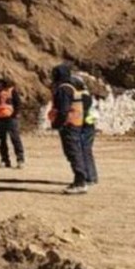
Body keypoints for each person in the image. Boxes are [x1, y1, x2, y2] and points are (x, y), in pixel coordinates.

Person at [48, 63, 88, 194]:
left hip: (69, 125)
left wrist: (57, 124)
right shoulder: (70, 87)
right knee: (74, 152)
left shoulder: (64, 89)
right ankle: (80, 179)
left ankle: (80, 182)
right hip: (74, 124)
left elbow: (63, 110)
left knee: (73, 152)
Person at [0, 75, 25, 168]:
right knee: (1, 140)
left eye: (0, 82)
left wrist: (14, 114)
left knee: (15, 139)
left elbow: (18, 103)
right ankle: (5, 160)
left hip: (10, 118)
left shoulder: (11, 91)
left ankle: (20, 159)